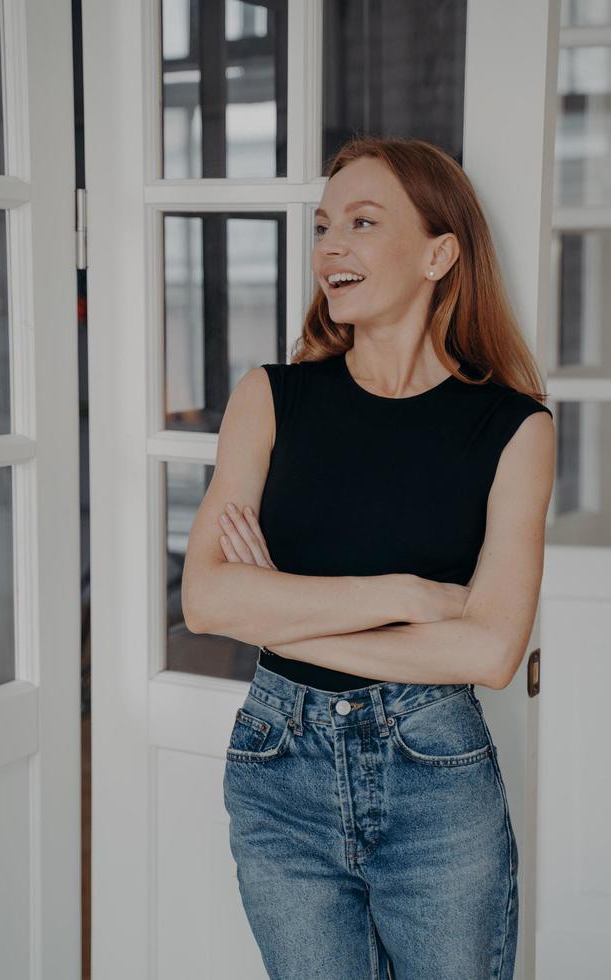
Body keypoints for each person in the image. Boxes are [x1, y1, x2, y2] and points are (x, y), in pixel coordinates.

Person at [181, 135, 555, 980]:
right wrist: (411, 595)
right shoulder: (269, 397)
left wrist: (279, 613)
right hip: (279, 773)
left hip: (436, 776)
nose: (329, 248)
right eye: (323, 227)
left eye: (361, 222)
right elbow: (206, 601)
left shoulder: (515, 428)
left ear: (439, 253)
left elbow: (489, 652)